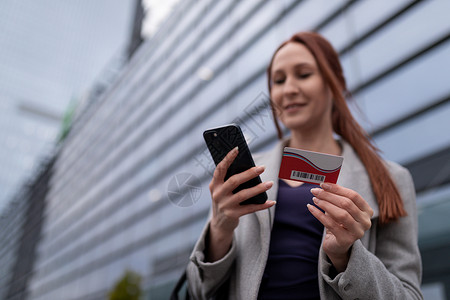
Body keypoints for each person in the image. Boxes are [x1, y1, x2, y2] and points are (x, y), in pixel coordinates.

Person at [186, 31, 423, 299]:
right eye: (279, 80)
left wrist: (346, 257)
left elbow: (409, 295)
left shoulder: (390, 179)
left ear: (334, 84)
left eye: (303, 74)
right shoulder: (242, 177)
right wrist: (219, 229)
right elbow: (197, 290)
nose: (288, 89)